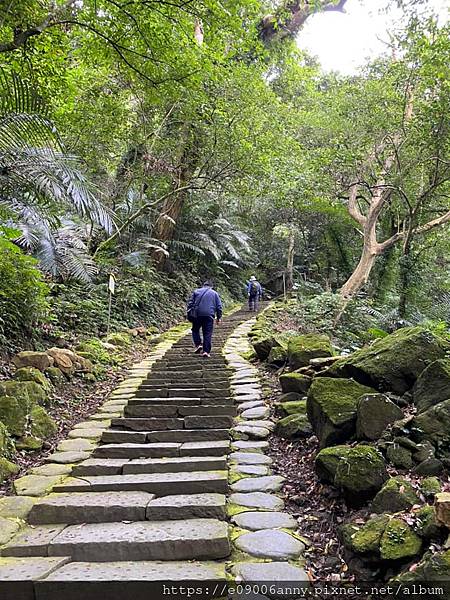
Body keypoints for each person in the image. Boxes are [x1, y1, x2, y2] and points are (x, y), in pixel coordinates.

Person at [187, 280, 223, 358]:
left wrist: (189, 313)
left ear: (203, 285)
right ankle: (206, 351)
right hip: (209, 315)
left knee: (195, 330)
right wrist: (219, 317)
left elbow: (190, 303)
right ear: (211, 286)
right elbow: (219, 307)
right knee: (207, 333)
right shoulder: (214, 293)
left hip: (197, 314)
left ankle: (198, 344)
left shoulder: (196, 291)